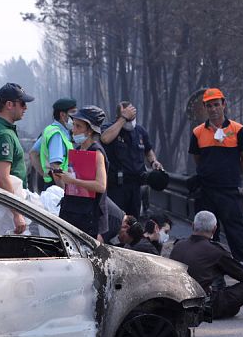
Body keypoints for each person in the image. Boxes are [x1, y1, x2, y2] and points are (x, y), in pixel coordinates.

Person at [188, 88, 243, 274]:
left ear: (224, 104)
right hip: (206, 191)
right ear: (205, 107)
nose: (213, 109)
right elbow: (198, 159)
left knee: (235, 230)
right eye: (209, 105)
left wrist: (232, 176)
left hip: (228, 190)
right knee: (207, 234)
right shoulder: (197, 133)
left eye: (216, 104)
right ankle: (210, 271)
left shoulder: (238, 130)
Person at [170, 210, 243, 319]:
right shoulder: (215, 251)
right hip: (201, 305)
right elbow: (242, 274)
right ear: (214, 229)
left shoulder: (178, 245)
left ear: (193, 226)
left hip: (175, 301)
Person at [0, 82, 35, 234]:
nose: (25, 108)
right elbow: (3, 178)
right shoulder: (3, 134)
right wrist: (17, 214)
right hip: (6, 210)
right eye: (22, 103)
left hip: (3, 204)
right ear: (9, 104)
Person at [54, 105, 108, 240]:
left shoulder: (97, 152)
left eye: (79, 127)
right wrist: (62, 176)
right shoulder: (78, 150)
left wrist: (72, 180)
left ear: (89, 131)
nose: (74, 130)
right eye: (74, 125)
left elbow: (101, 185)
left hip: (88, 217)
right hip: (72, 212)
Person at [100, 101, 163, 217]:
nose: (129, 121)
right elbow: (104, 139)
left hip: (136, 186)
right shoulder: (109, 128)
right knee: (116, 220)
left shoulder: (140, 131)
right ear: (118, 117)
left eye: (131, 117)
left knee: (133, 222)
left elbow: (148, 150)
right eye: (126, 117)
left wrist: (154, 161)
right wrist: (123, 119)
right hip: (116, 187)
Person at [29, 98, 77, 189]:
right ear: (62, 115)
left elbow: (33, 153)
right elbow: (55, 167)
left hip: (52, 183)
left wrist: (45, 175)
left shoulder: (50, 129)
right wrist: (63, 193)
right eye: (73, 113)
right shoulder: (57, 135)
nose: (76, 117)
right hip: (58, 184)